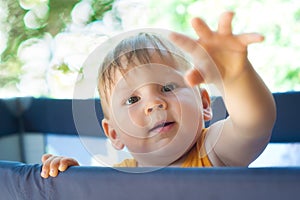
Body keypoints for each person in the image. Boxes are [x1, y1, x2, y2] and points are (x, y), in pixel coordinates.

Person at [40, 11, 276, 178]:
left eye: (168, 87)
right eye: (132, 99)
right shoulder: (118, 177)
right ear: (113, 133)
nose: (154, 103)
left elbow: (253, 124)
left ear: (204, 103)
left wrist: (234, 77)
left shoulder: (214, 152)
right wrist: (73, 178)